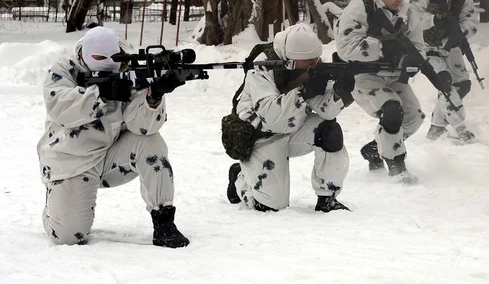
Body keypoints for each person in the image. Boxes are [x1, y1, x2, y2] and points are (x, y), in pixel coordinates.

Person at [37, 26, 189, 248]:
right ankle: (55, 207)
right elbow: (59, 108)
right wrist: (100, 95)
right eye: (99, 58)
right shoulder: (65, 69)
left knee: (151, 142)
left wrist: (154, 96)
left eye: (114, 56)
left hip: (112, 155)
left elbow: (144, 127)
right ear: (85, 55)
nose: (108, 62)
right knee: (69, 238)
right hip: (72, 162)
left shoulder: (130, 67)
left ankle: (164, 221)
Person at [226, 23, 354, 213]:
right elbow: (269, 116)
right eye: (309, 61)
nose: (314, 65)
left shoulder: (313, 64)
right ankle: (240, 178)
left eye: (316, 59)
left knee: (329, 132)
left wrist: (338, 92)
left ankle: (328, 197)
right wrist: (303, 92)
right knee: (269, 207)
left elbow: (327, 112)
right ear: (292, 59)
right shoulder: (262, 66)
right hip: (259, 137)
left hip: (292, 129)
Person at [336, 0, 426, 182]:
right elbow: (345, 47)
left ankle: (375, 149)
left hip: (394, 76)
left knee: (414, 117)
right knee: (392, 110)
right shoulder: (361, 7)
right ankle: (397, 169)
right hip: (364, 76)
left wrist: (414, 59)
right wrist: (383, 48)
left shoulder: (407, 11)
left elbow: (418, 44)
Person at [408, 0, 478, 143]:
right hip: (426, 46)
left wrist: (460, 34)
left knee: (462, 85)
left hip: (450, 44)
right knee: (444, 82)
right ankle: (461, 128)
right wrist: (434, 21)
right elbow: (410, 22)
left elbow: (470, 21)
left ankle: (437, 126)